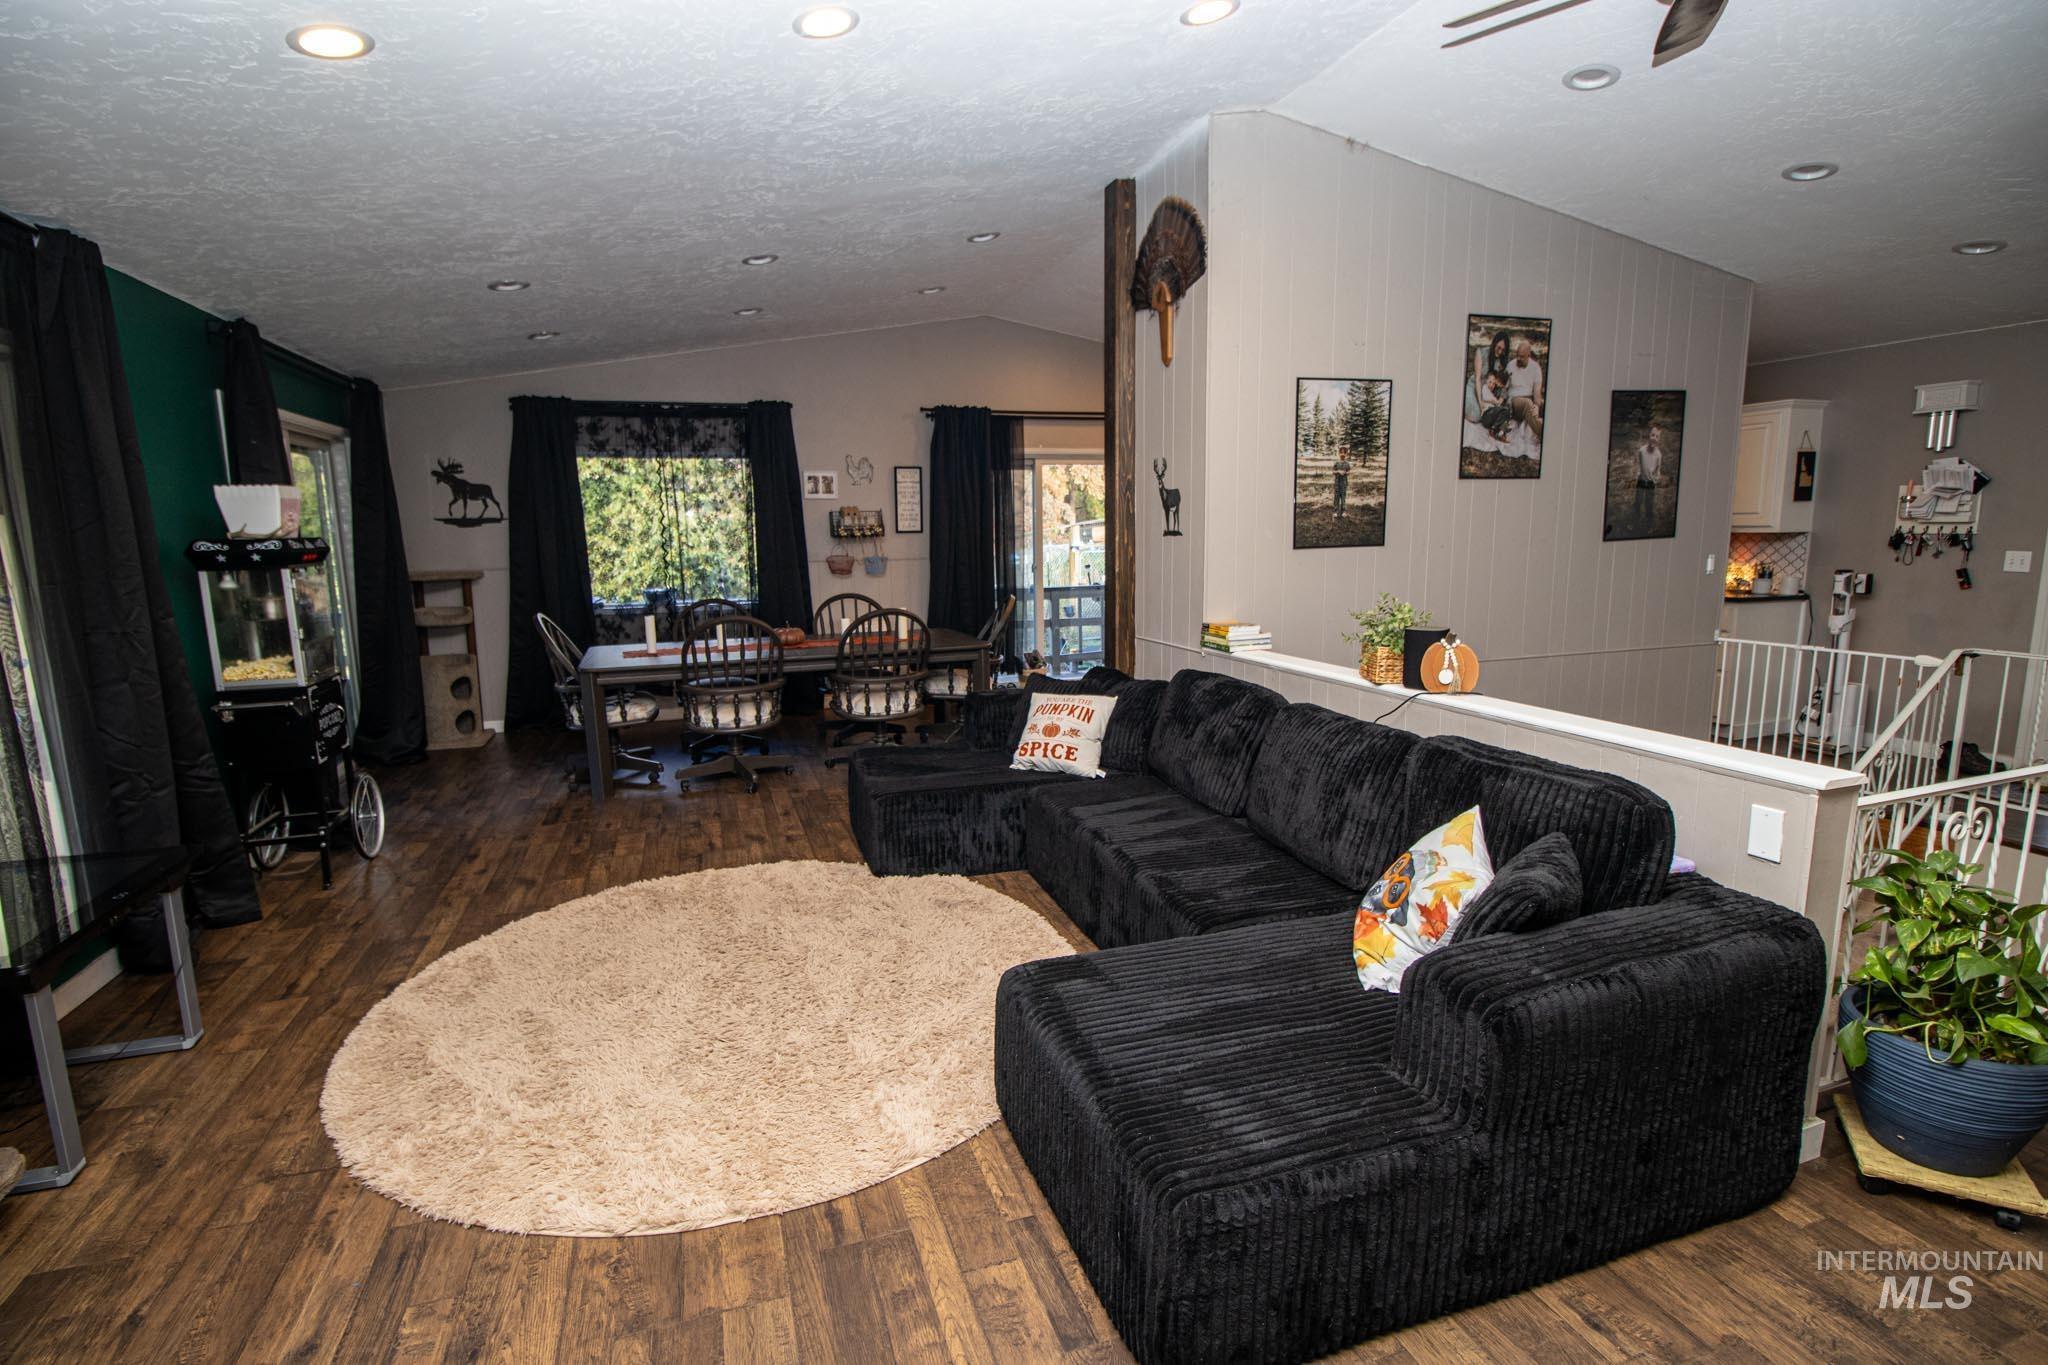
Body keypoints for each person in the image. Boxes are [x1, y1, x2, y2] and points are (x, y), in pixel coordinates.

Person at [1504, 336, 1544, 441]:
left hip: (1530, 397)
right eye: (1517, 355)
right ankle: (1543, 432)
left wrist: (1537, 405)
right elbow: (1504, 388)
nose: (1518, 359)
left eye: (1521, 357)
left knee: (1542, 403)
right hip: (1515, 400)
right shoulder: (1510, 365)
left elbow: (1537, 390)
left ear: (1528, 355)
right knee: (1527, 403)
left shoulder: (1535, 368)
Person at [1330, 448, 1353, 519]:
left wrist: (1345, 472)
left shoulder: (1347, 463)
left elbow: (1349, 471)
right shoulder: (1336, 463)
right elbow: (1333, 471)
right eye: (1341, 453)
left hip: (1344, 482)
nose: (1342, 454)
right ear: (1339, 454)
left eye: (1344, 453)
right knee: (1336, 497)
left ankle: (1343, 512)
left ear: (1346, 454)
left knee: (1343, 497)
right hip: (1337, 482)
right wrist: (1338, 471)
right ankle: (1335, 512)